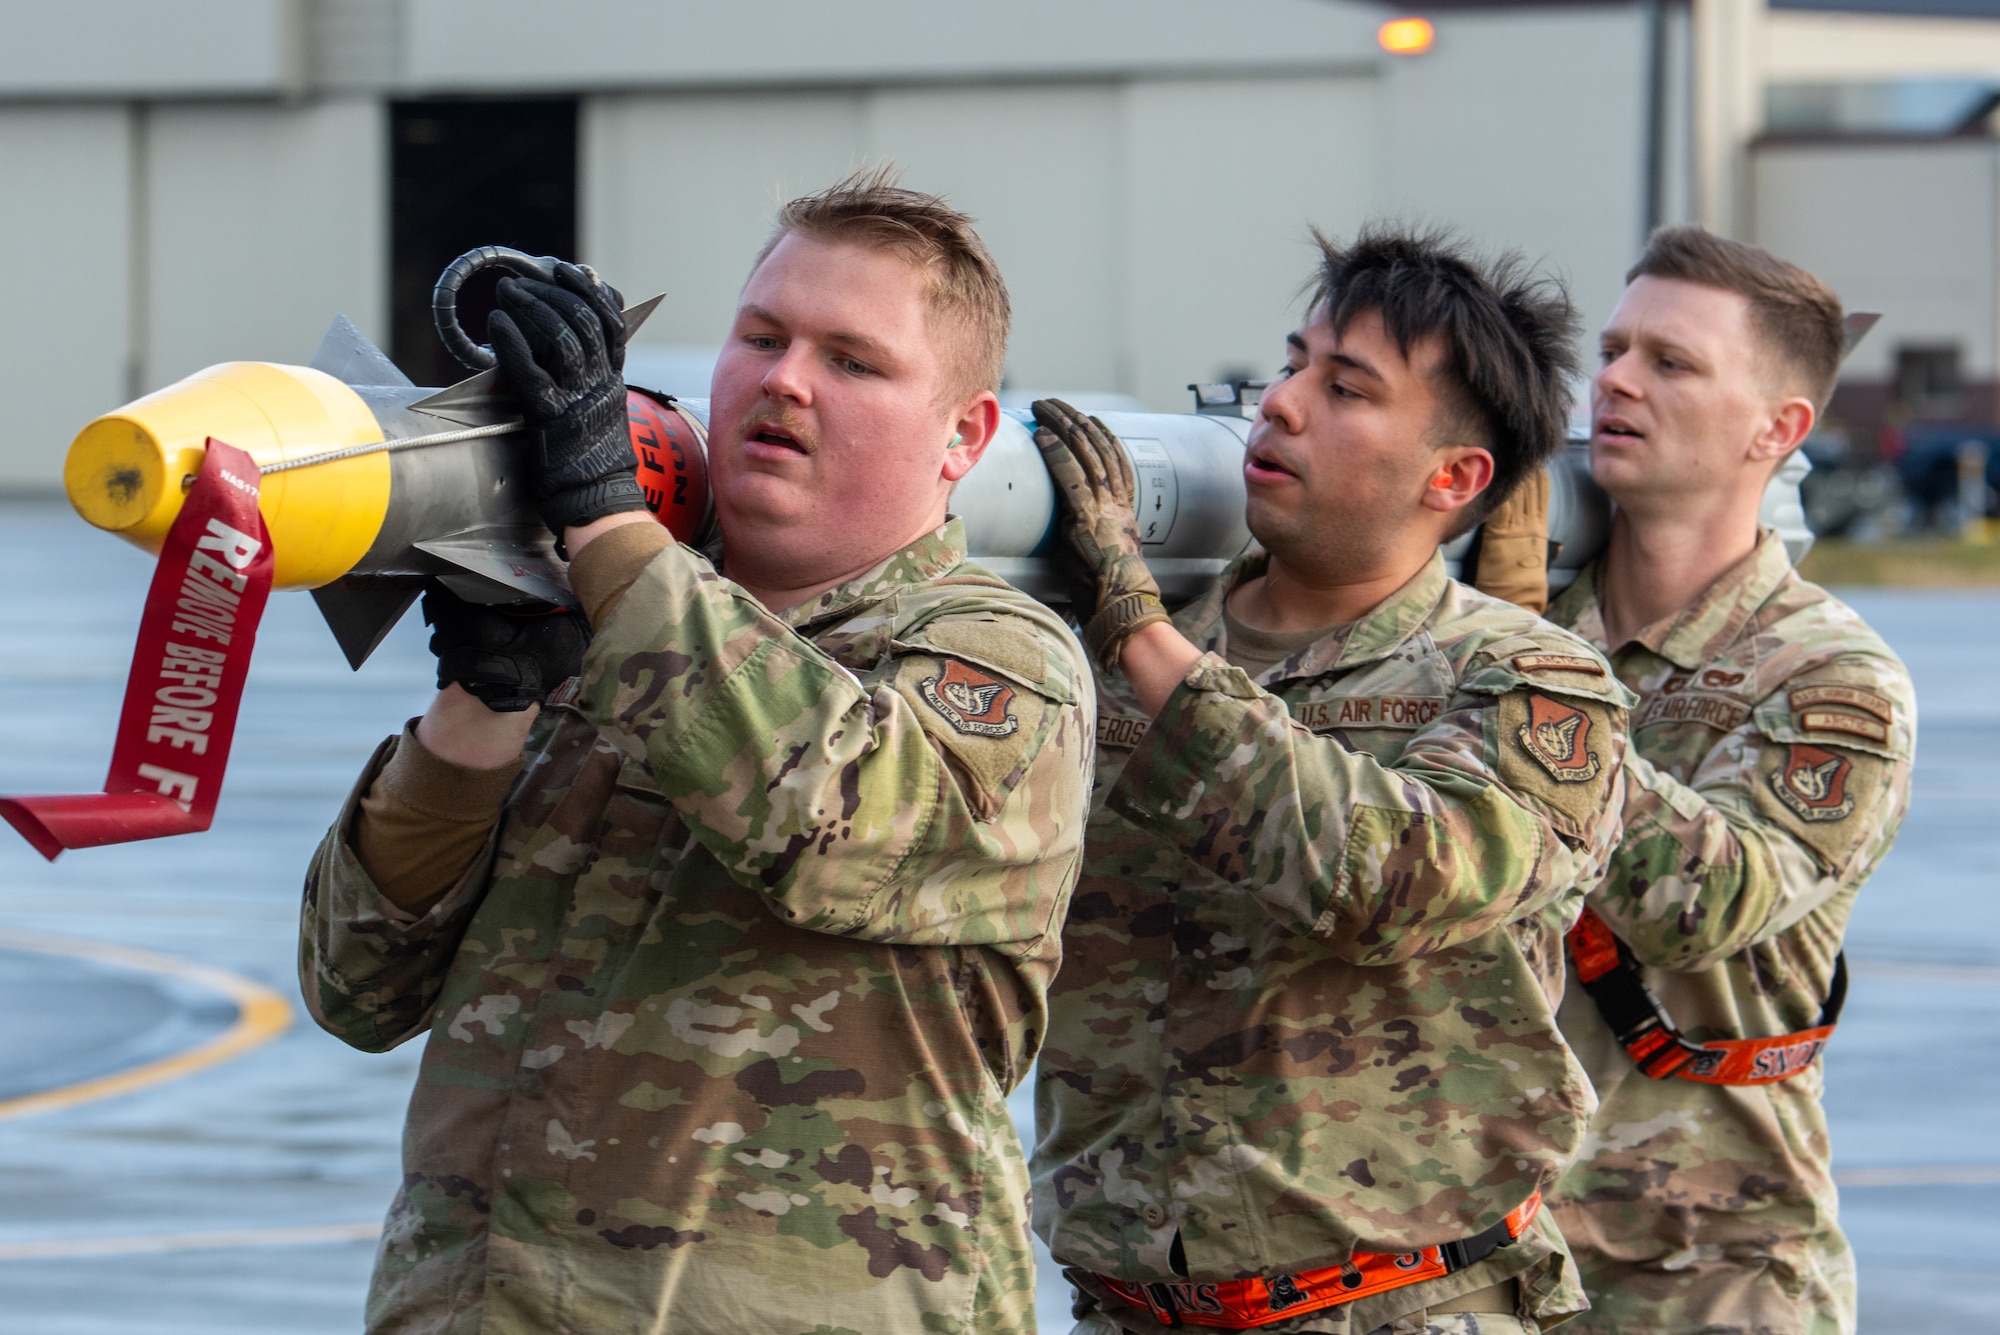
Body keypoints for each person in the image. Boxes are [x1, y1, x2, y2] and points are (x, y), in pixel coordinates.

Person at [297, 170, 1096, 1334]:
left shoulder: (993, 656)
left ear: (962, 436)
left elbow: (827, 828)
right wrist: (482, 705)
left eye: (853, 360)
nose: (784, 379)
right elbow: (356, 987)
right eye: (762, 336)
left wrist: (604, 523)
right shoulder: (612, 624)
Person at [1030, 227, 1633, 1335]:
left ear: (1451, 477)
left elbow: (1398, 880)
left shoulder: (1533, 678)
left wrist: (1136, 629)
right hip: (1125, 1309)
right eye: (1292, 363)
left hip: (1407, 1310)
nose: (1281, 403)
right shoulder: (1102, 657)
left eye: (1345, 388)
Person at [1544, 228, 1915, 1334]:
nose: (1613, 378)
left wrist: (1511, 675)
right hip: (1485, 1256)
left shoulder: (1829, 678)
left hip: (1707, 1267)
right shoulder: (1520, 624)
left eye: (1670, 362)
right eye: (1612, 350)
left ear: (1776, 429)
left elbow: (1706, 903)